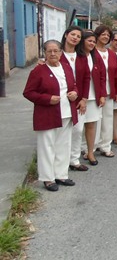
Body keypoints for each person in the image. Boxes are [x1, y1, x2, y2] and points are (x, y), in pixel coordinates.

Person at [24, 40, 79, 191]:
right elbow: (28, 92)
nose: (53, 54)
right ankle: (48, 178)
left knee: (64, 145)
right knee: (47, 146)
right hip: (47, 114)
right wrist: (47, 99)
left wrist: (75, 92)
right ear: (45, 53)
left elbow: (73, 84)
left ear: (61, 52)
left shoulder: (66, 67)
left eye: (56, 51)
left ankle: (61, 175)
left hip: (66, 112)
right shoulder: (38, 71)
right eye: (49, 51)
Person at [60, 26, 90, 172]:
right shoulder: (57, 54)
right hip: (61, 99)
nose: (75, 38)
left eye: (78, 36)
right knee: (63, 132)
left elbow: (86, 78)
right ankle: (61, 161)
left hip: (79, 99)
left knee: (78, 130)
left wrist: (84, 98)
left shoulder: (82, 56)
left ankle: (74, 159)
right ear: (66, 35)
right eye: (73, 34)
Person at [94, 25, 117, 158]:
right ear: (97, 35)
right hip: (94, 92)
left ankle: (105, 146)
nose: (105, 37)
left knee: (108, 119)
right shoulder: (91, 52)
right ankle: (90, 147)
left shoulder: (111, 54)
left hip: (109, 91)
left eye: (107, 35)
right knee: (94, 120)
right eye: (103, 34)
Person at [81, 31, 106, 166]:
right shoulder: (77, 55)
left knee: (91, 126)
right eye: (89, 41)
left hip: (93, 95)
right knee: (77, 129)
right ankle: (73, 156)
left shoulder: (95, 56)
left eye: (93, 42)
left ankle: (90, 152)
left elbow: (102, 76)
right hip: (79, 98)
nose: (92, 44)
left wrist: (102, 94)